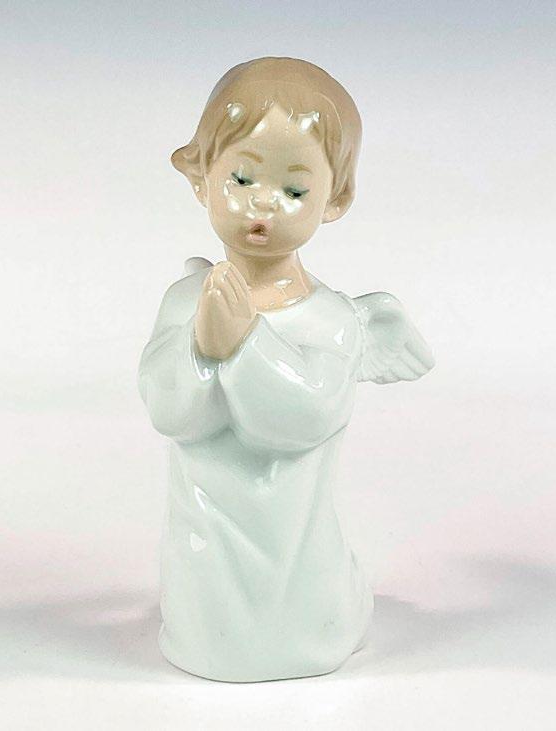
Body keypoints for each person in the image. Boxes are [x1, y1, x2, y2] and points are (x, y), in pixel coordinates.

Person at [138, 57, 434, 682]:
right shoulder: (185, 301)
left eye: (295, 191)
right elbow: (169, 411)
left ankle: (317, 626)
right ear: (201, 178)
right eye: (241, 177)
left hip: (296, 541)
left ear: (335, 199)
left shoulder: (333, 319)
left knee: (303, 607)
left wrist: (245, 343)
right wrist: (202, 348)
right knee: (207, 619)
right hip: (206, 532)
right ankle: (208, 635)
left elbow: (300, 420)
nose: (262, 205)